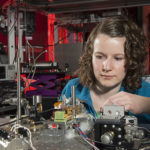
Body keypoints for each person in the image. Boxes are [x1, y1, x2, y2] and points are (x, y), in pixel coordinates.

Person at [60, 15, 150, 124]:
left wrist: (146, 104)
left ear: (131, 59)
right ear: (90, 56)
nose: (106, 67)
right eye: (99, 56)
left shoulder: (144, 91)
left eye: (117, 58)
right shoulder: (73, 89)